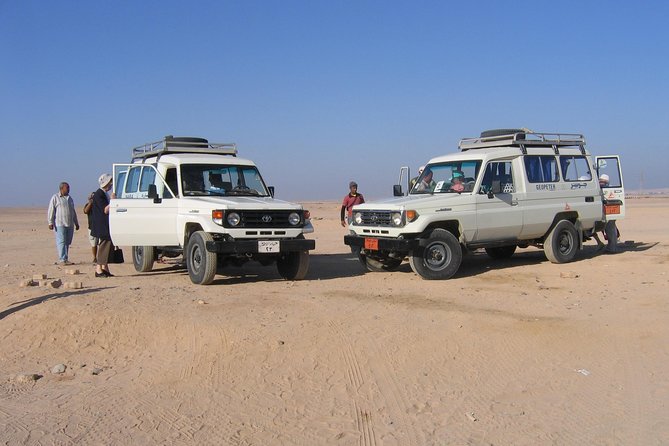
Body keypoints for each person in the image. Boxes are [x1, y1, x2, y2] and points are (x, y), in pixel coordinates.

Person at [47, 182, 80, 265]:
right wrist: (50, 222)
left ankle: (66, 258)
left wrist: (76, 223)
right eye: (67, 188)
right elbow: (51, 210)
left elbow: (73, 211)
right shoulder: (55, 198)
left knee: (67, 242)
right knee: (61, 241)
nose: (69, 189)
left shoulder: (70, 199)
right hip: (60, 223)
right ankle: (62, 259)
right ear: (61, 188)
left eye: (69, 187)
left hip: (69, 223)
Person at [91, 174, 115, 277]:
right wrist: (113, 201)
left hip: (105, 224)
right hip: (102, 225)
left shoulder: (103, 193)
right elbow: (105, 210)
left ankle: (105, 268)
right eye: (109, 182)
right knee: (104, 246)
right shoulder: (99, 194)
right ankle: (98, 269)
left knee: (107, 245)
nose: (111, 184)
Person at [597, 173, 620, 253]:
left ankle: (612, 247)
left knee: (610, 229)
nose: (601, 183)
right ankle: (612, 246)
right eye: (600, 182)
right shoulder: (601, 189)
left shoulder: (610, 190)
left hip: (610, 212)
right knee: (609, 229)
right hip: (605, 213)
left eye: (603, 182)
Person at [82, 192, 99, 264]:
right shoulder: (88, 205)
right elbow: (85, 211)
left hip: (100, 226)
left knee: (101, 243)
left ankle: (101, 257)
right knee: (94, 243)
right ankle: (94, 257)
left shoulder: (99, 205)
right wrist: (90, 203)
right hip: (91, 227)